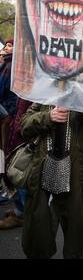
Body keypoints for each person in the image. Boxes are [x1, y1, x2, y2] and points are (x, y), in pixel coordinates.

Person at [20, 104, 83, 259]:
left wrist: (79, 104)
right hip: (45, 175)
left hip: (78, 175)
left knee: (76, 238)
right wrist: (48, 117)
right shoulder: (46, 93)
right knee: (40, 234)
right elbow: (25, 125)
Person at [0, 97, 32, 229]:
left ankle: (23, 214)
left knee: (20, 172)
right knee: (15, 173)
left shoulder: (35, 88)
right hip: (18, 131)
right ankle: (21, 210)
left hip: (24, 136)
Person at [0, 39, 17, 203]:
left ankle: (9, 189)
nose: (5, 47)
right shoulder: (5, 65)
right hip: (6, 114)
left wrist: (9, 114)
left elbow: (4, 90)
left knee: (5, 153)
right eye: (5, 45)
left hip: (7, 116)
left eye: (10, 45)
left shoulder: (11, 66)